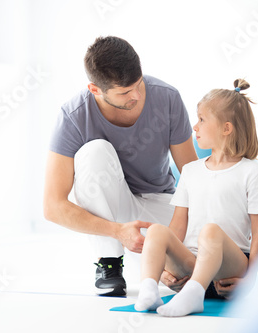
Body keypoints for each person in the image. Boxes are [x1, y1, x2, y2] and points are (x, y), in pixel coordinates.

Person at [43, 36, 198, 297]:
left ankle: (157, 263)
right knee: (95, 151)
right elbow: (52, 206)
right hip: (113, 217)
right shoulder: (73, 117)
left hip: (159, 204)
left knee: (204, 271)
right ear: (95, 90)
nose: (136, 96)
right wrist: (118, 232)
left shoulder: (168, 98)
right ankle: (109, 263)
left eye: (138, 85)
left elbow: (195, 178)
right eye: (125, 92)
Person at [134, 79, 258, 316]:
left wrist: (251, 279)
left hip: (230, 270)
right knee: (157, 230)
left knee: (211, 231)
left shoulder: (252, 171)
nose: (194, 127)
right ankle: (149, 289)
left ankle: (194, 295)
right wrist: (166, 269)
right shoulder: (191, 170)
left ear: (226, 128)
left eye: (201, 119)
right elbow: (178, 225)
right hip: (192, 266)